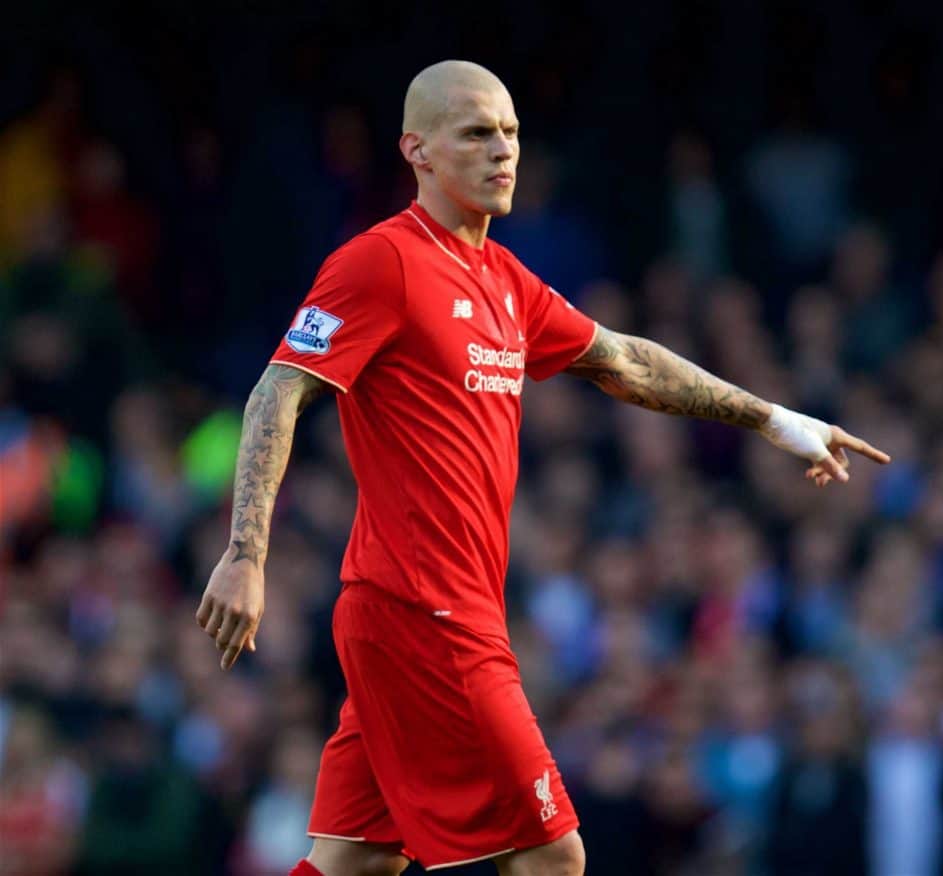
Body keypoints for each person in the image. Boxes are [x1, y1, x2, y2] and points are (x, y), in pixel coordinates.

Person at [196, 60, 890, 876]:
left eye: (513, 133)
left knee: (356, 862)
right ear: (417, 150)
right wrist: (247, 553)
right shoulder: (379, 263)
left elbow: (625, 361)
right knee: (555, 856)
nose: (504, 151)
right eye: (478, 133)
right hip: (423, 611)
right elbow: (278, 390)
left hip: (422, 614)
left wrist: (774, 419)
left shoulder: (505, 281)